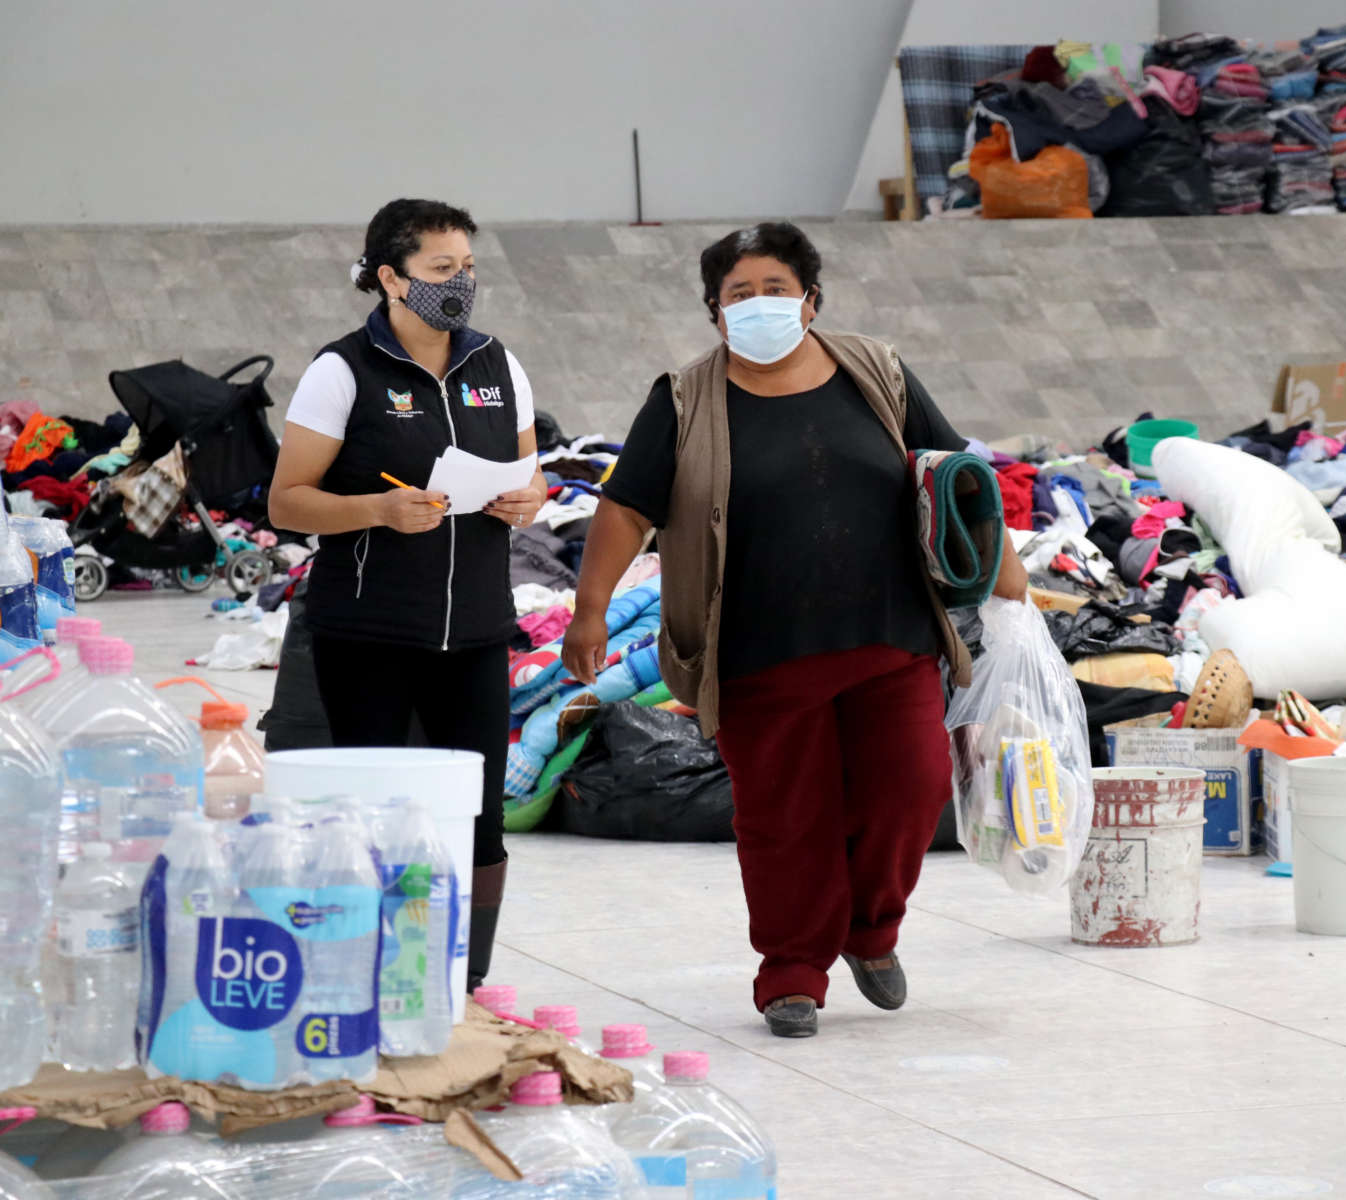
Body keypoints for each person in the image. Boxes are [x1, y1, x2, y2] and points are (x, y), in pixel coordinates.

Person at [563, 222, 1028, 1038]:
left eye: (775, 289)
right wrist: (590, 609)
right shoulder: (684, 398)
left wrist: (1012, 589)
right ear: (714, 314)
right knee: (784, 819)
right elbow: (627, 505)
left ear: (811, 299)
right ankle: (792, 972)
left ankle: (871, 932)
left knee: (911, 792)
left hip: (891, 637)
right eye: (738, 294)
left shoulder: (875, 372)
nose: (758, 305)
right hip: (758, 653)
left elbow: (955, 471)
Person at [268, 198, 546, 991]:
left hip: (480, 631)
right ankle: (367, 972)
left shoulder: (499, 364)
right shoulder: (342, 370)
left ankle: (467, 982)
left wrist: (527, 496)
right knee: (375, 813)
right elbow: (286, 502)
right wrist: (376, 512)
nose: (458, 284)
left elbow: (532, 474)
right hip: (370, 634)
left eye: (466, 268)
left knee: (481, 817)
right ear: (390, 277)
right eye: (439, 270)